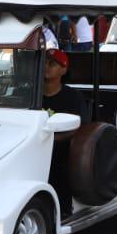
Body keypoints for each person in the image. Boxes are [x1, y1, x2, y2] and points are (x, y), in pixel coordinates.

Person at [39, 48, 87, 219]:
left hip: (61, 150)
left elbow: (78, 127)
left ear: (63, 69)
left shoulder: (73, 97)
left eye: (52, 64)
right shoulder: (30, 94)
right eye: (44, 62)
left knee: (58, 164)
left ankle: (64, 209)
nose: (46, 66)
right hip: (33, 146)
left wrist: (52, 139)